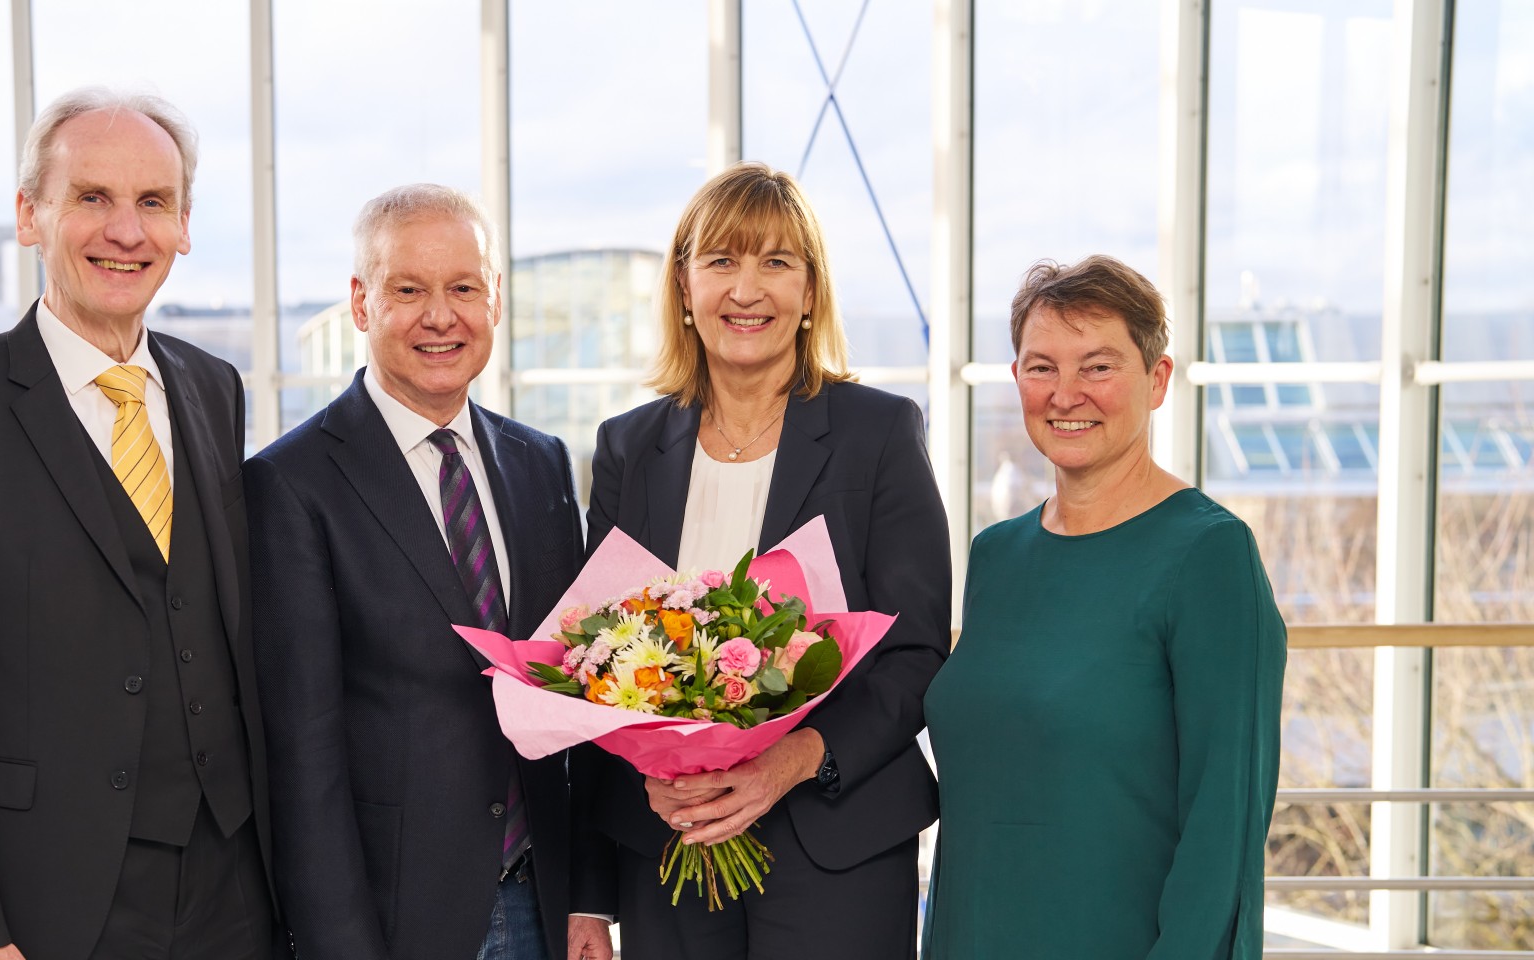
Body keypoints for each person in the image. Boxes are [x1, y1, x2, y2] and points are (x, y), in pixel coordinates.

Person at [0, 88, 275, 960]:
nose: (126, 231)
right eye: (92, 197)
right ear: (30, 215)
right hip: (50, 899)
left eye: (153, 202)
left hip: (234, 890)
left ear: (184, 227)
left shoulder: (214, 388)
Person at [571, 162, 952, 958]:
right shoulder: (628, 448)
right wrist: (590, 895)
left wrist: (787, 763)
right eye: (721, 261)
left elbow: (915, 654)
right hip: (668, 847)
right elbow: (592, 661)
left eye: (776, 262)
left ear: (810, 292)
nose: (747, 290)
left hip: (836, 849)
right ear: (684, 288)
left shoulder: (879, 434)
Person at [246, 184, 597, 960]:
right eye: (409, 290)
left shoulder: (541, 463)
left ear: (495, 298)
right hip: (394, 920)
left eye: (463, 288)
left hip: (543, 905)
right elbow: (302, 757)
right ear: (361, 302)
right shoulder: (291, 484)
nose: (441, 317)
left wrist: (587, 901)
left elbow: (582, 690)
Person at [921, 256, 1287, 959]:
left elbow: (1224, 828)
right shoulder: (997, 557)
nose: (1066, 395)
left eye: (1097, 367)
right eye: (1042, 368)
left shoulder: (1210, 557)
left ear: (1157, 379)